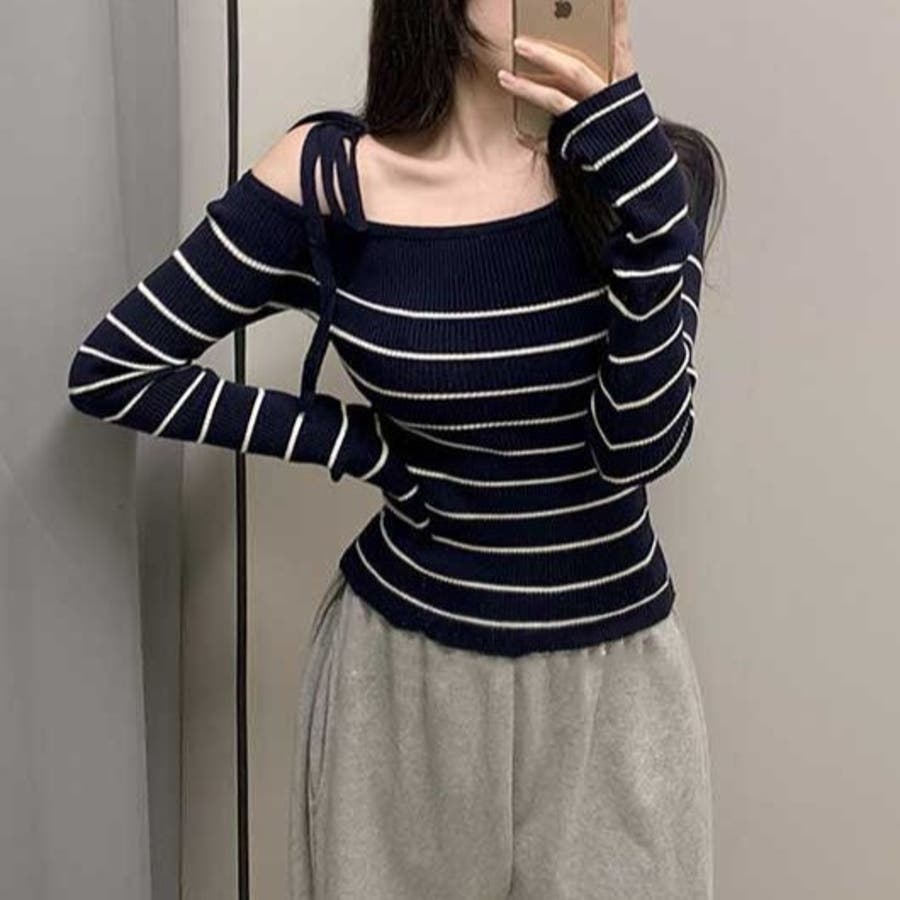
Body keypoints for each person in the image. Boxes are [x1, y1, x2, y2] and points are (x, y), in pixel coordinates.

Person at [67, 0, 726, 896]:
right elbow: (114, 369)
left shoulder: (658, 173)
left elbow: (637, 448)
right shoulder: (330, 180)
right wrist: (353, 441)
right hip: (404, 679)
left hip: (615, 685)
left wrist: (652, 215)